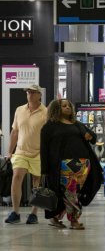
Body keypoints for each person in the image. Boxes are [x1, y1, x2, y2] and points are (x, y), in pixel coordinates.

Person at [40, 99, 102, 230]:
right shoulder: (49, 126)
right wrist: (44, 169)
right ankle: (74, 220)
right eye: (64, 106)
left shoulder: (77, 124)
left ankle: (55, 217)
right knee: (70, 193)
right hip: (64, 165)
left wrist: (89, 136)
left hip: (83, 164)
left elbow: (94, 138)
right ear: (56, 109)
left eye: (69, 105)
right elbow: (44, 148)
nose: (67, 107)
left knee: (74, 193)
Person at [4, 85, 47, 224]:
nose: (29, 94)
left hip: (38, 153)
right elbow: (15, 132)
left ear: (39, 95)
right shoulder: (19, 110)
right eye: (28, 92)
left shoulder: (45, 112)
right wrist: (10, 151)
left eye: (33, 92)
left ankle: (33, 213)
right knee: (16, 177)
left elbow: (48, 136)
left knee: (36, 182)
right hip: (21, 151)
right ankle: (15, 212)